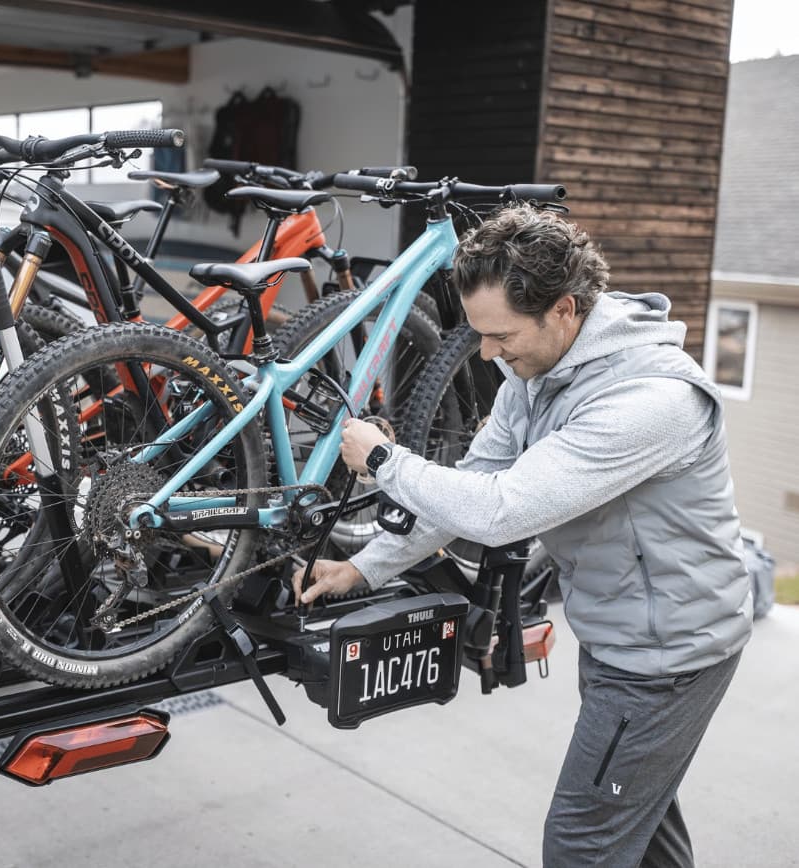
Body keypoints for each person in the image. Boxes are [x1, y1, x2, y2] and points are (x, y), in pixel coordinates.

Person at [292, 203, 753, 868]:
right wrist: (366, 567)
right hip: (627, 635)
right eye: (479, 333)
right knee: (641, 830)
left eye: (500, 334)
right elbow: (473, 483)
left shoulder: (651, 403)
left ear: (564, 310)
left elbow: (503, 510)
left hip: (667, 660)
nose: (486, 353)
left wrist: (386, 463)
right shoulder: (536, 374)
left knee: (581, 845)